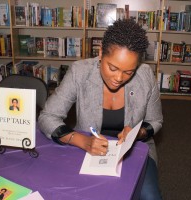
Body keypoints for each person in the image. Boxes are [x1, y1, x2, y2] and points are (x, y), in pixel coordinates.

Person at [38, 19, 163, 200]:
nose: (119, 78)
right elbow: (48, 117)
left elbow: (156, 121)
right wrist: (81, 140)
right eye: (112, 67)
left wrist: (138, 133)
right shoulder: (80, 72)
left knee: (150, 197)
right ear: (100, 54)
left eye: (129, 72)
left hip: (135, 150)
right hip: (84, 149)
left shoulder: (145, 76)